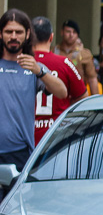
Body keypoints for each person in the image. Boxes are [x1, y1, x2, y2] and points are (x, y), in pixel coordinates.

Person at [0, 9, 67, 169]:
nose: (14, 36)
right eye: (9, 31)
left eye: (19, 32)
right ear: (1, 34)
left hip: (20, 153)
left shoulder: (34, 67)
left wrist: (40, 71)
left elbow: (62, 92)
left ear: (28, 34)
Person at [32, 16, 86, 144]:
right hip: (56, 135)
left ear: (29, 36)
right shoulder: (65, 63)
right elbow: (82, 97)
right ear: (51, 37)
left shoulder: (21, 63)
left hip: (25, 136)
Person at [56, 19, 100, 96]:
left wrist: (95, 102)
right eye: (68, 31)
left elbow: (92, 78)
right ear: (62, 32)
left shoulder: (84, 53)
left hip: (77, 96)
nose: (71, 35)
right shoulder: (54, 50)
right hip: (56, 94)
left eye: (74, 32)